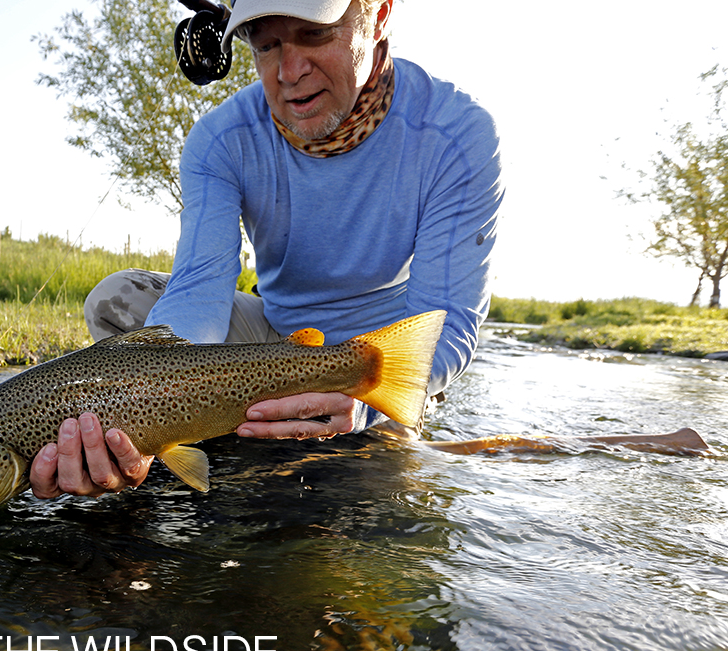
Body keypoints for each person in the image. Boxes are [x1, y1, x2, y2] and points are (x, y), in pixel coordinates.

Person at [30, 0, 504, 499]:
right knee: (118, 299)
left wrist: (360, 403)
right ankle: (208, 445)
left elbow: (445, 320)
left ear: (380, 14)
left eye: (315, 34)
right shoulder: (220, 139)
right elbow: (198, 289)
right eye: (267, 44)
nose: (289, 71)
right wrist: (150, 415)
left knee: (376, 505)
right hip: (275, 339)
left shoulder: (457, 135)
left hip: (381, 353)